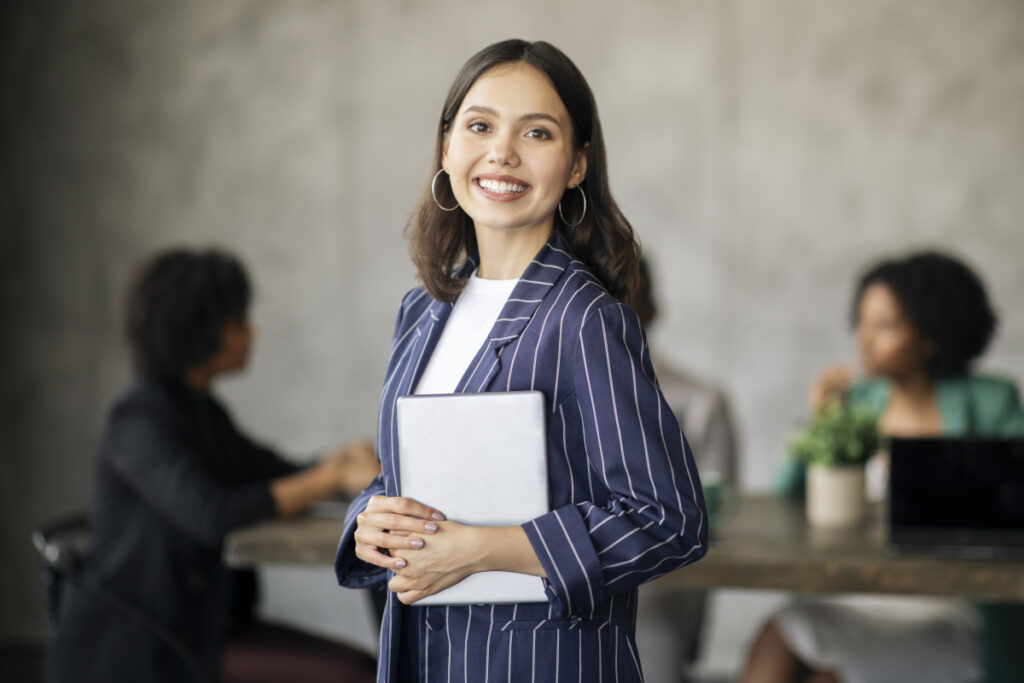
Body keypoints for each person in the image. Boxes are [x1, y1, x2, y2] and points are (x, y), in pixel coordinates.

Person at [332, 39, 708, 682]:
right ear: (447, 147)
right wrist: (369, 520)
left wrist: (483, 551)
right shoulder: (422, 311)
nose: (502, 152)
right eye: (480, 126)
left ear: (578, 164)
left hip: (540, 662)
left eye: (537, 132)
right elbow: (415, 475)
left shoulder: (584, 317)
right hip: (429, 656)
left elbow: (669, 518)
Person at [46, 248, 381, 683]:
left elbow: (273, 472)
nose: (251, 333)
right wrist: (331, 476)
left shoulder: (200, 411)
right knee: (354, 674)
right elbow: (212, 514)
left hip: (206, 629)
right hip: (151, 647)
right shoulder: (138, 418)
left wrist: (340, 462)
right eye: (239, 322)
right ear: (199, 330)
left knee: (364, 668)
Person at [742, 251, 1024, 683]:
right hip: (862, 591)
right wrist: (823, 421)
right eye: (861, 323)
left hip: (949, 603)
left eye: (885, 326)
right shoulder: (858, 405)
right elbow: (785, 497)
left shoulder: (991, 401)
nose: (864, 340)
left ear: (931, 336)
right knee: (780, 634)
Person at [632, 257, 740, 683]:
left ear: (653, 309)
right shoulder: (544, 396)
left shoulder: (700, 402)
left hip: (658, 588)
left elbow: (714, 511)